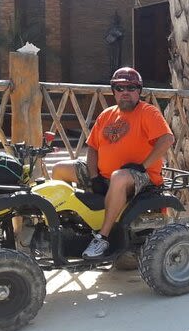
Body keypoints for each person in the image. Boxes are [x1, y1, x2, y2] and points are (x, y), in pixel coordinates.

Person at [52, 67, 175, 259]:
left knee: (118, 177)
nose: (125, 92)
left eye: (131, 87)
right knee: (59, 169)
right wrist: (94, 177)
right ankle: (65, 228)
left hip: (141, 176)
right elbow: (92, 148)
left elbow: (167, 139)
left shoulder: (148, 112)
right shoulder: (107, 114)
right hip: (103, 173)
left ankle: (102, 237)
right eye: (119, 88)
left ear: (139, 91)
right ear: (113, 91)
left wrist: (143, 166)